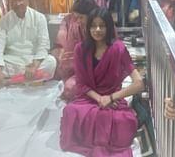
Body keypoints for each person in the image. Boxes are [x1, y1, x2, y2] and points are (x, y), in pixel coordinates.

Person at [60, 8, 145, 156]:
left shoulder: (118, 48)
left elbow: (139, 84)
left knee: (122, 120)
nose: (97, 30)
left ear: (109, 27)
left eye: (102, 25)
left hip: (114, 100)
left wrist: (112, 97)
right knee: (71, 111)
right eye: (93, 26)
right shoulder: (80, 49)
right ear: (88, 28)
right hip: (89, 98)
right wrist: (101, 99)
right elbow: (81, 84)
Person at [0, 0, 56, 87]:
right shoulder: (4, 20)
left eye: (20, 0)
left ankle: (10, 81)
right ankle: (31, 78)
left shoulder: (39, 18)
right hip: (13, 59)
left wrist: (34, 66)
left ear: (27, 0)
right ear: (9, 2)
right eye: (14, 1)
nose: (17, 4)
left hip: (33, 59)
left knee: (51, 62)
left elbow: (43, 45)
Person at [53, 0, 99, 101]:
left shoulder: (102, 25)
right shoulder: (76, 27)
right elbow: (70, 54)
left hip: (103, 72)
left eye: (81, 18)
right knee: (70, 88)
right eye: (77, 17)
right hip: (82, 72)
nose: (78, 21)